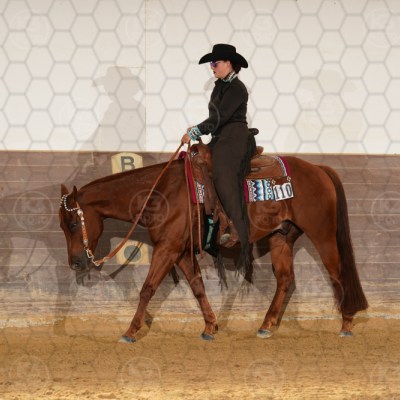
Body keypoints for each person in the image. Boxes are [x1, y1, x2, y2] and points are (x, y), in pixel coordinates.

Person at [181, 43, 254, 271]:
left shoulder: (237, 89)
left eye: (215, 63)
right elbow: (215, 119)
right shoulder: (219, 87)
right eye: (211, 64)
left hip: (234, 137)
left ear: (228, 64)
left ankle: (237, 229)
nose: (212, 67)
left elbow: (220, 117)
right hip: (221, 137)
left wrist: (196, 131)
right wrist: (201, 130)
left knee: (222, 175)